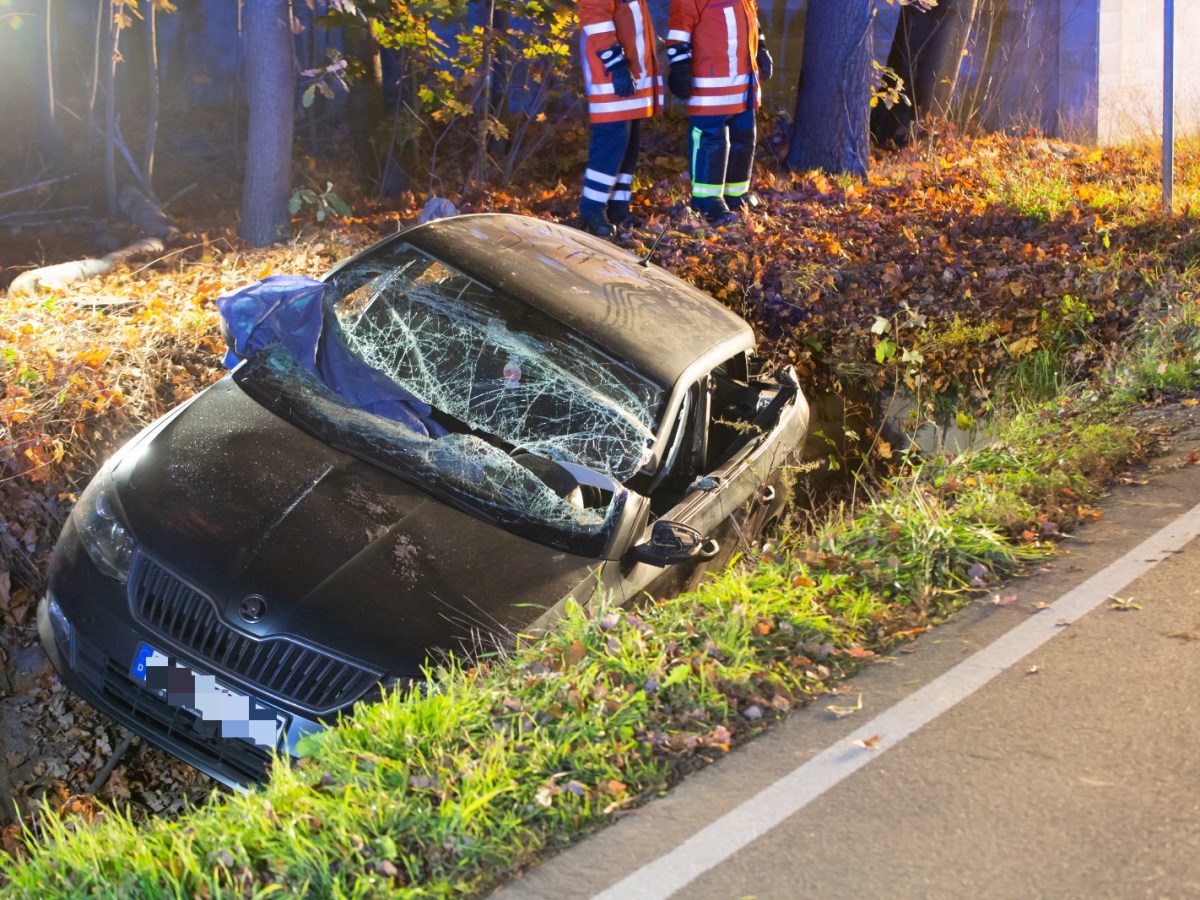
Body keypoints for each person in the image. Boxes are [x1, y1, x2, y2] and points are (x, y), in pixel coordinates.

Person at [665, 0, 772, 225]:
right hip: (709, 85)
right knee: (711, 141)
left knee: (743, 139)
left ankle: (735, 196)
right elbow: (679, 30)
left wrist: (761, 49)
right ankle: (707, 201)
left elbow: (753, 20)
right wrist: (679, 67)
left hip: (743, 85)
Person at [577, 0, 663, 237]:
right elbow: (594, 15)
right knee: (611, 143)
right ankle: (591, 211)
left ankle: (617, 209)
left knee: (628, 145)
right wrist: (616, 64)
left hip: (629, 72)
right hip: (612, 73)